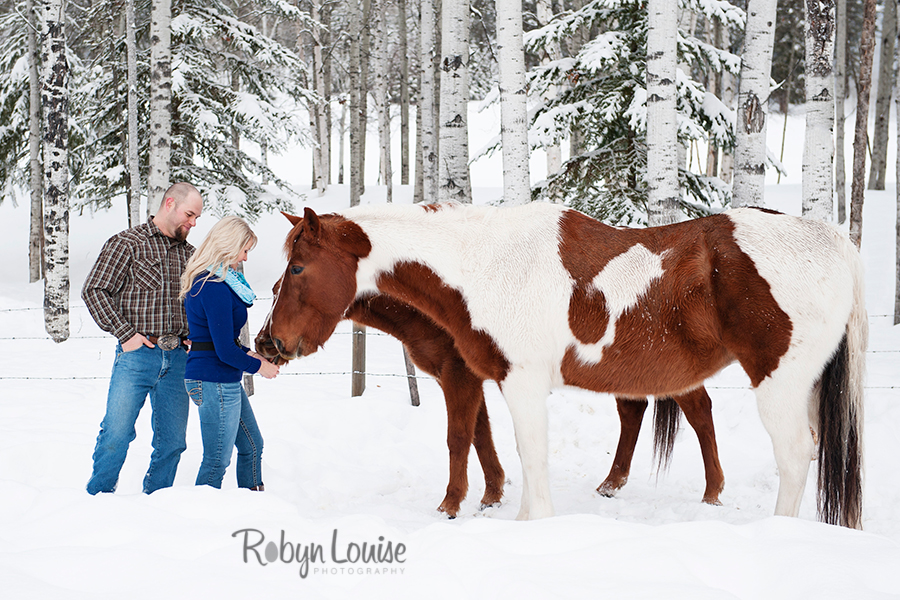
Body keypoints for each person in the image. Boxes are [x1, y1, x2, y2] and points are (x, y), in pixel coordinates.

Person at [83, 182, 204, 494]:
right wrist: (126, 335)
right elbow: (94, 290)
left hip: (178, 359)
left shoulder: (191, 255)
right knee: (116, 434)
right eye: (189, 215)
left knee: (174, 442)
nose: (192, 223)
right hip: (137, 355)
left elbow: (195, 303)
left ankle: (157, 501)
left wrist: (192, 334)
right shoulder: (127, 243)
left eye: (197, 219)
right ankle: (98, 498)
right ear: (169, 204)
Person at [180, 216, 279, 490]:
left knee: (252, 445)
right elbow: (223, 349)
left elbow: (219, 340)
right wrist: (260, 368)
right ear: (228, 245)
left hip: (222, 377)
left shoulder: (218, 282)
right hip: (214, 379)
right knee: (216, 460)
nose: (245, 257)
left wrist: (250, 354)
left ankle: (251, 500)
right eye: (244, 250)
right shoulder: (212, 286)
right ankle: (202, 516)